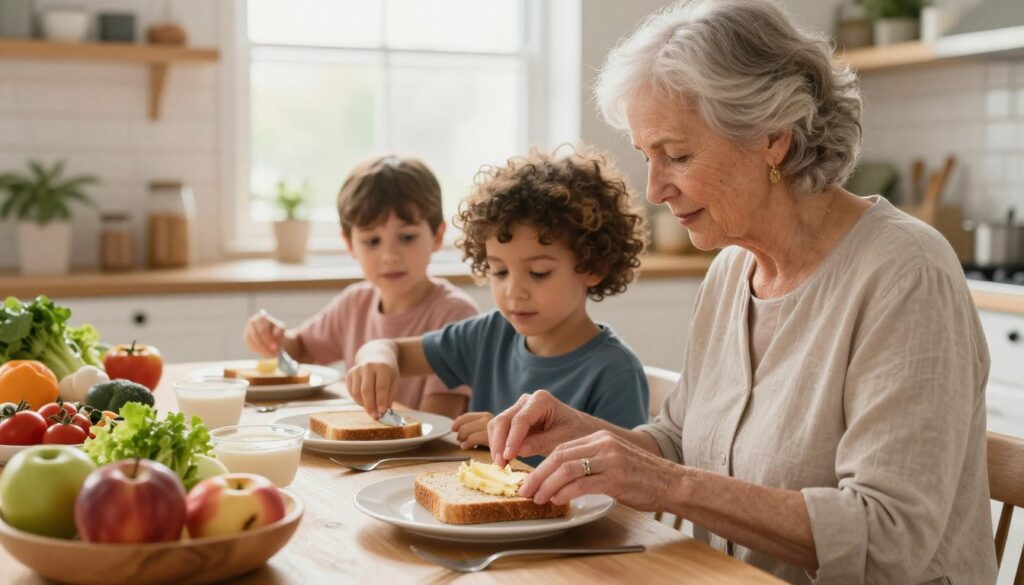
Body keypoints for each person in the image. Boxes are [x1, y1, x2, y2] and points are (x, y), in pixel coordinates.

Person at [485, 1, 997, 583]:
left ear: (772, 139)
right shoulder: (732, 270)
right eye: (646, 156)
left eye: (677, 155)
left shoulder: (906, 275)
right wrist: (594, 438)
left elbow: (887, 535)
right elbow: (683, 442)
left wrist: (667, 485)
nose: (653, 190)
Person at [345, 147, 650, 461]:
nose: (514, 291)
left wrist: (512, 440)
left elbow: (623, 487)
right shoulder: (489, 335)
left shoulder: (614, 372)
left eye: (538, 273)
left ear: (593, 266)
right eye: (499, 271)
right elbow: (392, 349)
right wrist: (378, 359)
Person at [243, 155, 479, 418]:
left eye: (407, 237)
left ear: (437, 236)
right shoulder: (354, 302)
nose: (390, 255)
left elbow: (438, 424)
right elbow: (300, 351)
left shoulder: (455, 315)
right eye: (372, 241)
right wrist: (272, 337)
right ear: (349, 244)